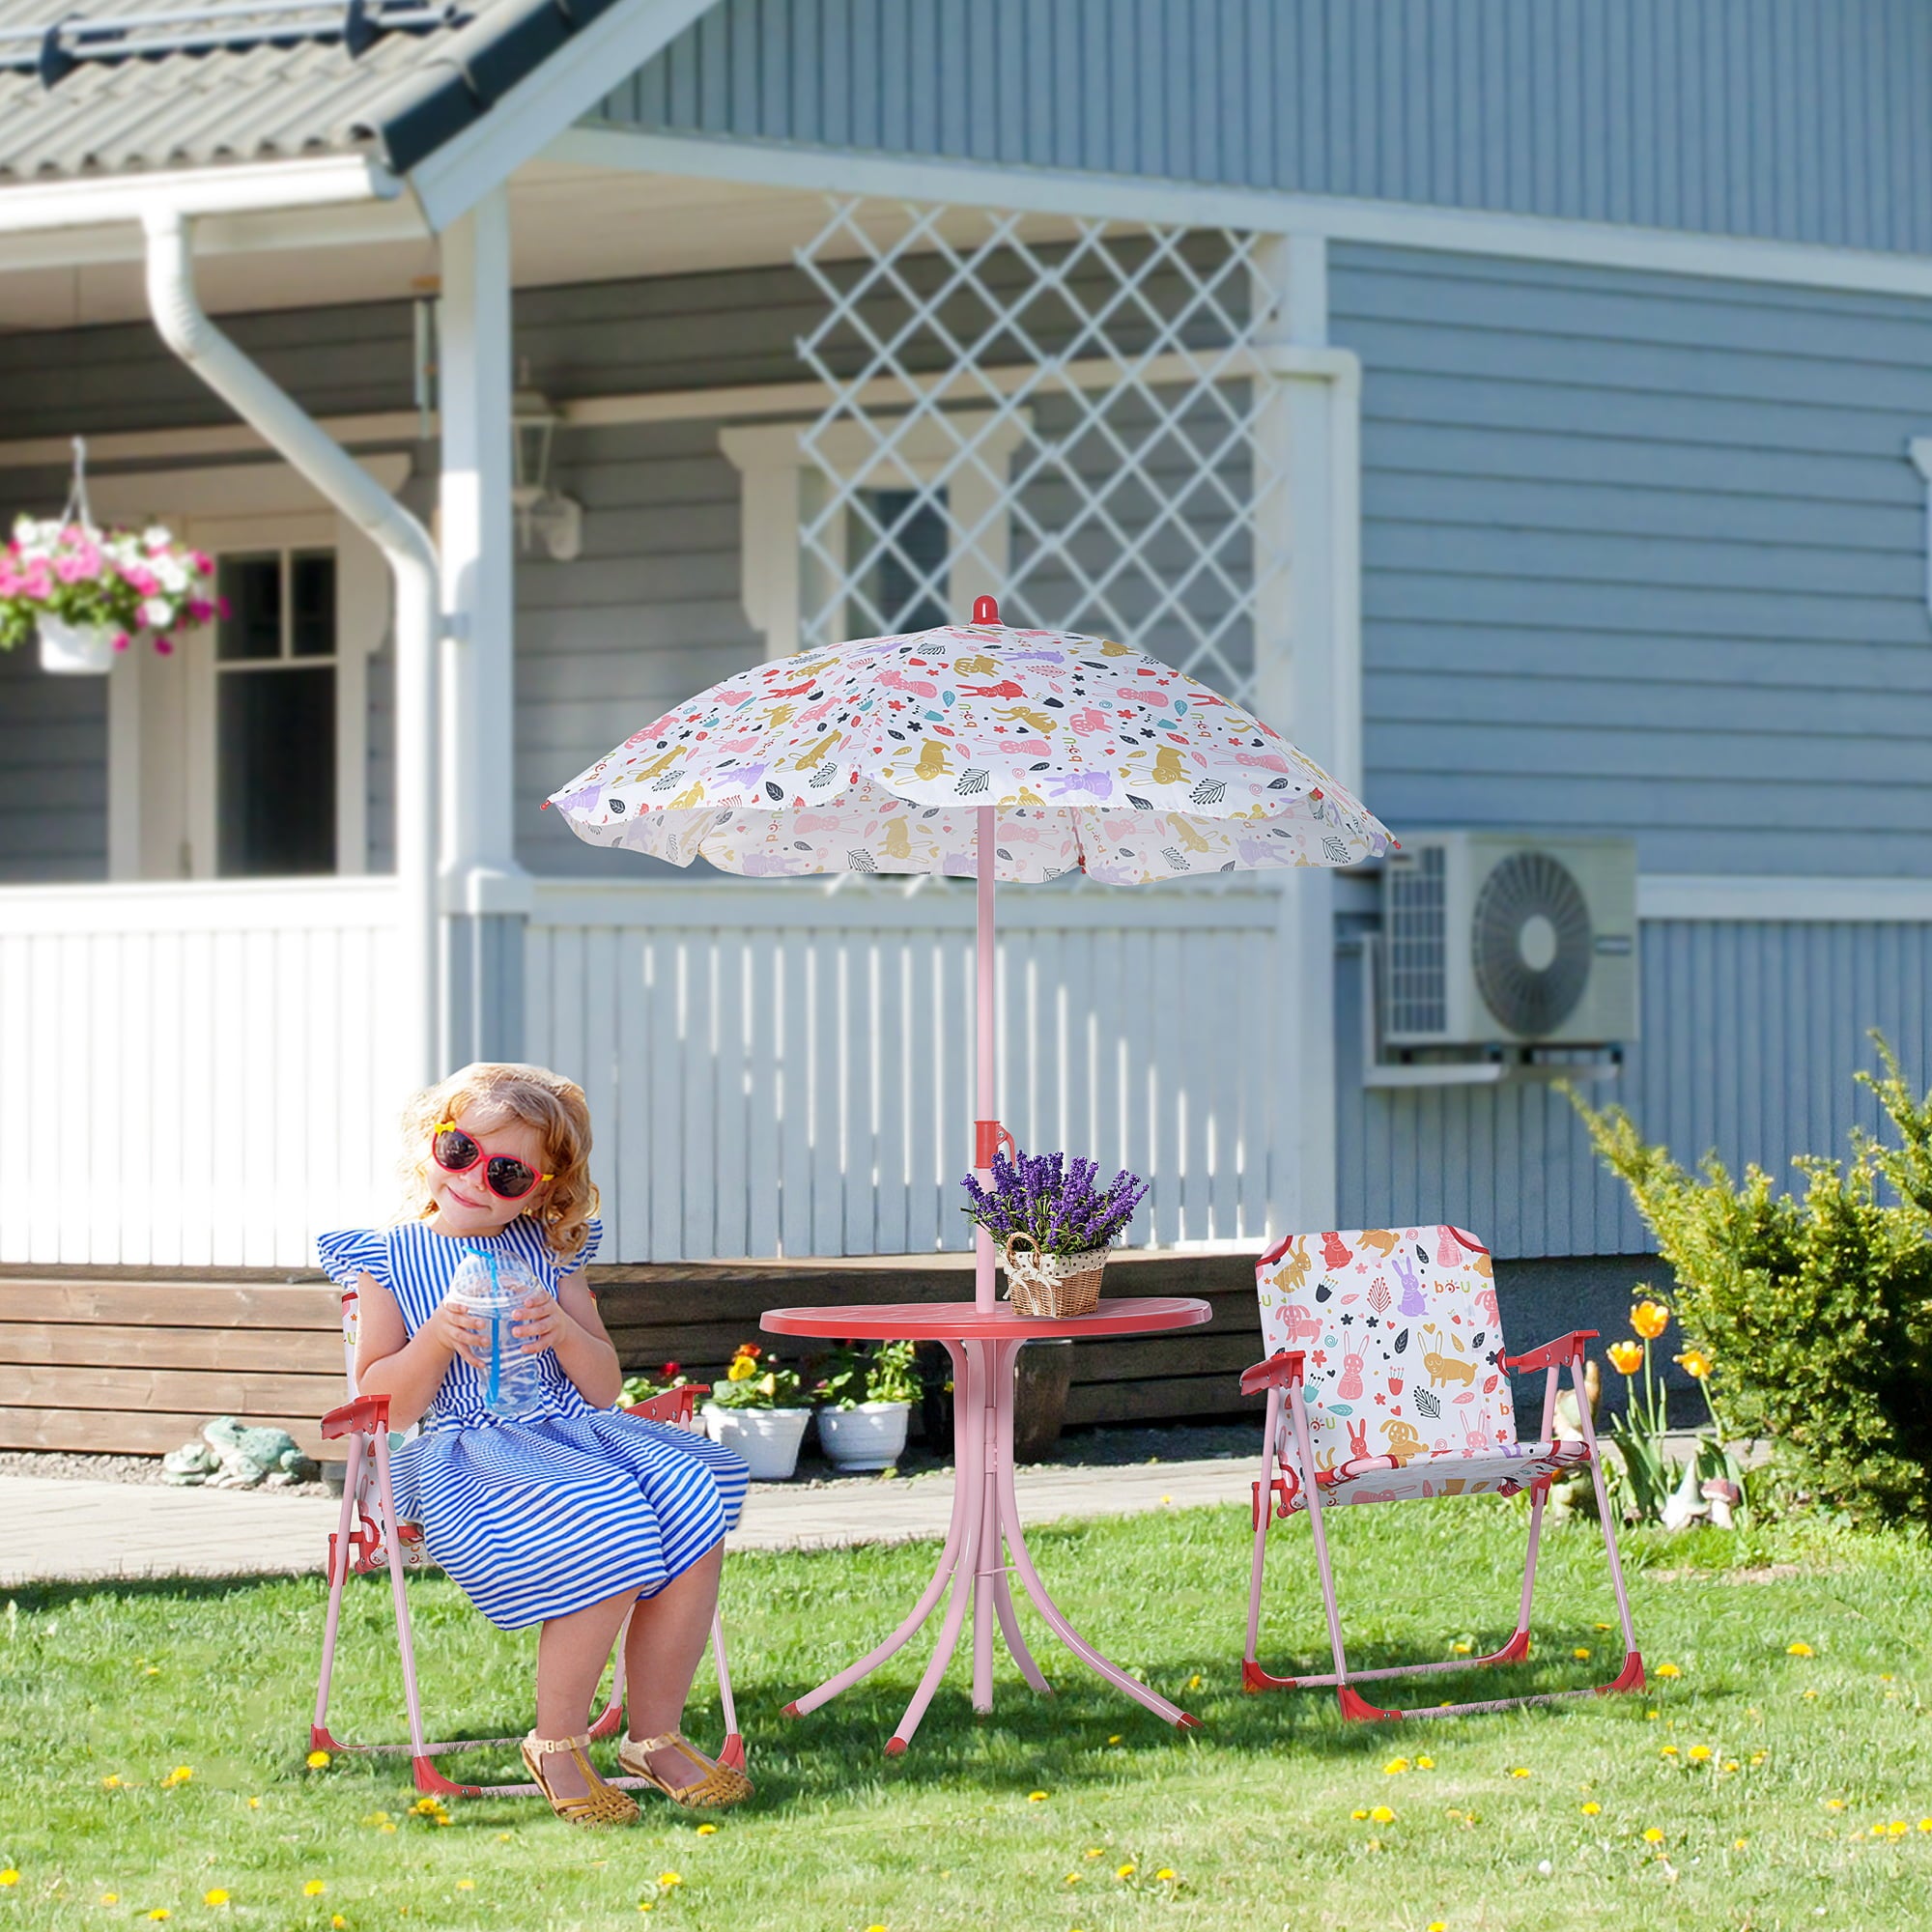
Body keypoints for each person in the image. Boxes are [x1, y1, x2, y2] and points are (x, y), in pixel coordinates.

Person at [318, 1061, 750, 1826]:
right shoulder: (386, 1257)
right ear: (431, 1143)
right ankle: (556, 1743)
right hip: (465, 1453)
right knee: (611, 1523)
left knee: (693, 1502)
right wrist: (438, 1339)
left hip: (572, 1434)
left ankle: (652, 1733)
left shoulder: (551, 1254)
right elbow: (383, 1400)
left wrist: (563, 1329)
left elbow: (604, 1388)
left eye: (509, 1172)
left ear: (547, 1189)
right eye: (461, 1153)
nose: (478, 1180)